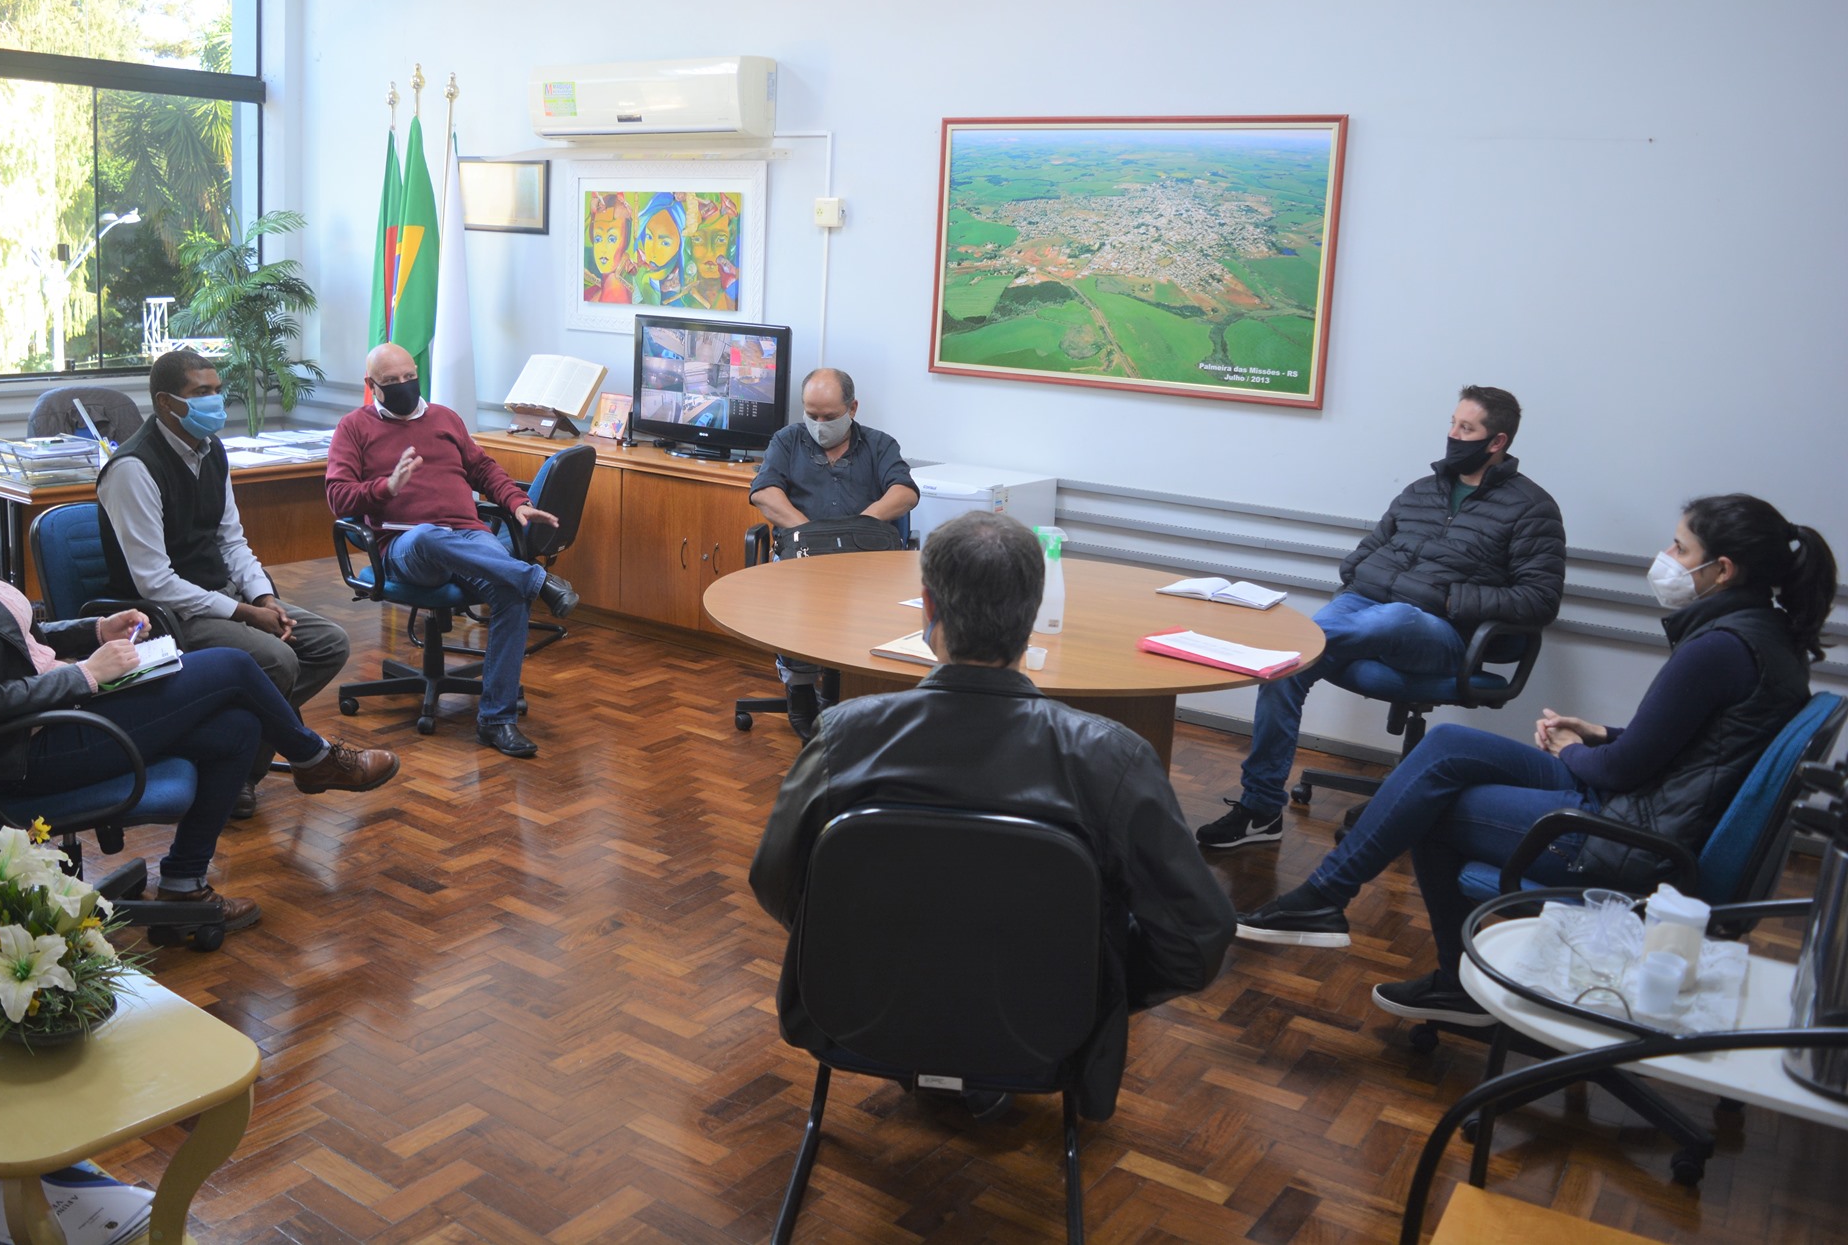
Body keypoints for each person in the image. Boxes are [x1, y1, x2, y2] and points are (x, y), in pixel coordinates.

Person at [1234, 494, 1832, 1026]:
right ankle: (1326, 901)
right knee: (1446, 748)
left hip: (1628, 837)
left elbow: (1624, 770)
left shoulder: (1719, 648)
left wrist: (1579, 750)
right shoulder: (1763, 635)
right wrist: (1598, 732)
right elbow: (1698, 744)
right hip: (1645, 807)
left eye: (1680, 546)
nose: (1666, 556)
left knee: (1432, 808)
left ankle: (1443, 976)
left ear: (1722, 570)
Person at [750, 511, 1236, 1119]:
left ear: (927, 606)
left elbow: (775, 882)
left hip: (854, 1013)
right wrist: (1095, 982)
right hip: (1047, 1029)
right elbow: (1198, 937)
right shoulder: (1112, 759)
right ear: (1034, 613)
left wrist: (861, 946)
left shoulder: (844, 735)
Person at [0, 413, 399, 934]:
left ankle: (184, 882)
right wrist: (88, 674)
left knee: (239, 726)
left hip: (56, 713)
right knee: (234, 666)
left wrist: (94, 630)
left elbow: (16, 640)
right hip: (25, 750)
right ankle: (314, 758)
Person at [1198, 385, 1566, 849]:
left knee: (1392, 619)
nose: (1453, 435)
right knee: (1285, 670)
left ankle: (1273, 642)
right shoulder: (1421, 492)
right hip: (1365, 608)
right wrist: (1360, 578)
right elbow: (1363, 555)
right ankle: (1261, 809)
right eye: (1452, 423)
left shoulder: (1532, 508)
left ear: (1497, 442)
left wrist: (1454, 600)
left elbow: (1539, 599)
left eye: (1466, 428)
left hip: (1441, 635)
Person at [98, 348, 352, 819]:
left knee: (327, 644)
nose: (215, 402)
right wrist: (242, 613)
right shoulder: (133, 469)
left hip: (223, 599)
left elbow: (231, 540)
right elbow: (154, 583)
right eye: (201, 393)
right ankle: (239, 776)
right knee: (276, 660)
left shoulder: (212, 451)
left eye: (216, 391)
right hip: (163, 617)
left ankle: (226, 756)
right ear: (166, 403)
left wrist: (264, 596)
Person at [325, 342, 580, 758]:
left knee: (510, 593)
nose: (406, 386)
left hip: (467, 536)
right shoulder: (354, 428)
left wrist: (518, 503)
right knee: (428, 535)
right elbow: (338, 497)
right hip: (406, 547)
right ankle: (539, 579)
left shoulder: (445, 418)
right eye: (393, 382)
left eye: (410, 377)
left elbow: (482, 468)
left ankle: (496, 721)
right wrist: (386, 487)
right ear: (372, 386)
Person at [747, 367, 920, 739]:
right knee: (799, 606)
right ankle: (800, 687)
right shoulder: (787, 440)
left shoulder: (879, 444)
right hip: (803, 558)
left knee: (868, 616)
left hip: (866, 563)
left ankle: (853, 693)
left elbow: (904, 493)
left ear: (852, 408)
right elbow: (764, 492)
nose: (820, 424)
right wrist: (812, 534)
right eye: (812, 416)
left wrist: (857, 527)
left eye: (829, 417)